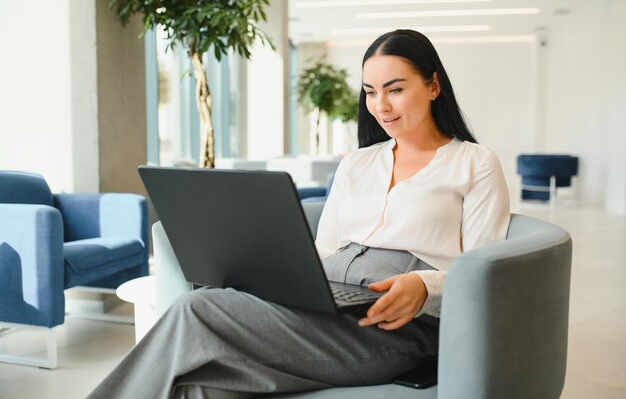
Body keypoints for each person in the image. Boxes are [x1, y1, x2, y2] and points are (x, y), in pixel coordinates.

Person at [87, 29, 510, 399]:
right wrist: (280, 276)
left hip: (397, 326)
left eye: (395, 89)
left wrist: (426, 284)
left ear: (433, 86)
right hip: (327, 302)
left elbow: (486, 272)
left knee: (197, 308)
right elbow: (325, 250)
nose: (381, 106)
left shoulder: (475, 163)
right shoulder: (358, 163)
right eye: (370, 91)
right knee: (199, 387)